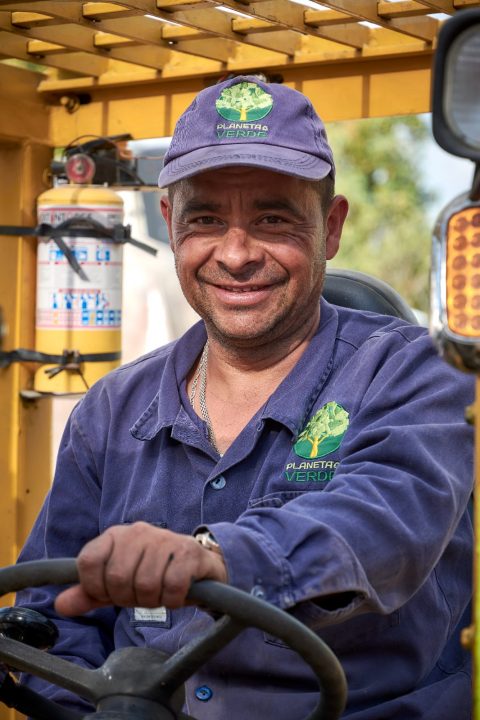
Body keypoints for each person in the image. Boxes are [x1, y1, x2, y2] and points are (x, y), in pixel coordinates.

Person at [16, 75, 474, 720]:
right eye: (206, 219)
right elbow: (50, 623)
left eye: (272, 219)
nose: (235, 254)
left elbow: (384, 520)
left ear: (331, 227)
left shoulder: (417, 373)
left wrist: (214, 558)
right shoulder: (111, 412)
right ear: (171, 225)